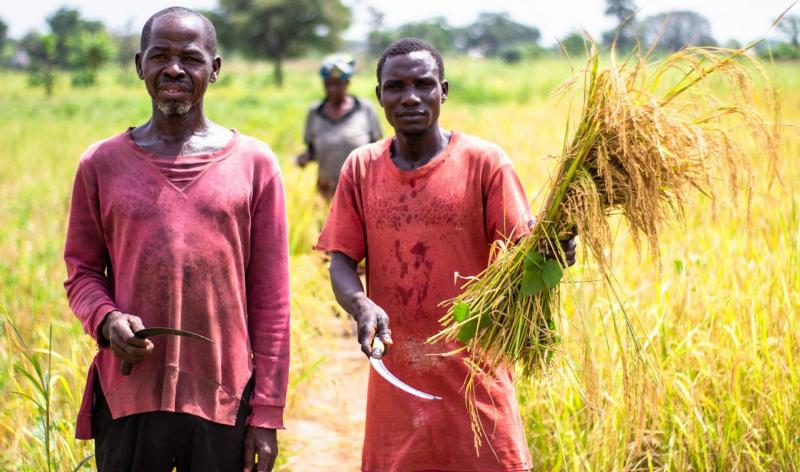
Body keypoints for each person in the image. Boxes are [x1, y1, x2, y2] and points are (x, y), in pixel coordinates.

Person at [315, 38, 576, 471]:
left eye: (424, 84)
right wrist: (360, 304)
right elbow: (341, 258)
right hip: (398, 383)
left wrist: (552, 250)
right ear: (379, 96)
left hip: (477, 380)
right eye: (396, 87)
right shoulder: (362, 167)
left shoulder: (484, 163)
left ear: (444, 91)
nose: (411, 97)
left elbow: (525, 253)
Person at [63, 7, 289, 472]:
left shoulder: (254, 164)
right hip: (129, 394)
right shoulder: (100, 164)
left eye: (191, 57)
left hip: (224, 397)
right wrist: (106, 321)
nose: (174, 69)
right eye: (159, 55)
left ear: (215, 68)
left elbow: (272, 299)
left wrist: (266, 412)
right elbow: (82, 271)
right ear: (139, 65)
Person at [295, 53, 383, 199]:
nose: (332, 89)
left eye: (337, 83)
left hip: (360, 191)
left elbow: (378, 151)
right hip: (326, 192)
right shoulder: (315, 112)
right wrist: (303, 159)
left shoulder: (364, 109)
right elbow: (313, 151)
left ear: (348, 82)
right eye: (327, 83)